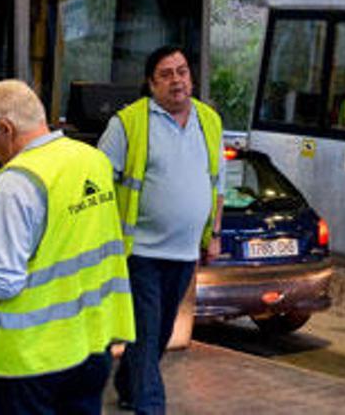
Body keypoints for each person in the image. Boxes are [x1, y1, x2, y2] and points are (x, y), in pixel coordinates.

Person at [0, 79, 134, 415]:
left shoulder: (16, 180)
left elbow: (4, 282)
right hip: (89, 347)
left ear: (5, 128)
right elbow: (69, 238)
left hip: (28, 361)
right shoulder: (92, 160)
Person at [98, 45, 224, 415]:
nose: (177, 80)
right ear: (151, 84)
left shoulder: (209, 121)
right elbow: (98, 181)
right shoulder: (128, 124)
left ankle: (127, 386)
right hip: (140, 253)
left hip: (184, 252)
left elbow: (218, 184)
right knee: (148, 332)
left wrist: (214, 234)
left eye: (182, 71)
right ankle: (150, 406)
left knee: (160, 334)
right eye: (166, 74)